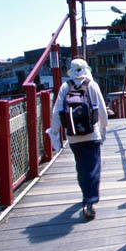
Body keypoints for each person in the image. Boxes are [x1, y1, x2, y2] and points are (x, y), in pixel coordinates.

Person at [47, 58, 108, 219]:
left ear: (71, 71)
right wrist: (103, 128)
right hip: (92, 134)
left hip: (73, 137)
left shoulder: (65, 87)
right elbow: (102, 111)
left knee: (81, 167)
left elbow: (56, 113)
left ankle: (86, 195)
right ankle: (89, 201)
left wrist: (54, 133)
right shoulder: (92, 85)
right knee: (93, 168)